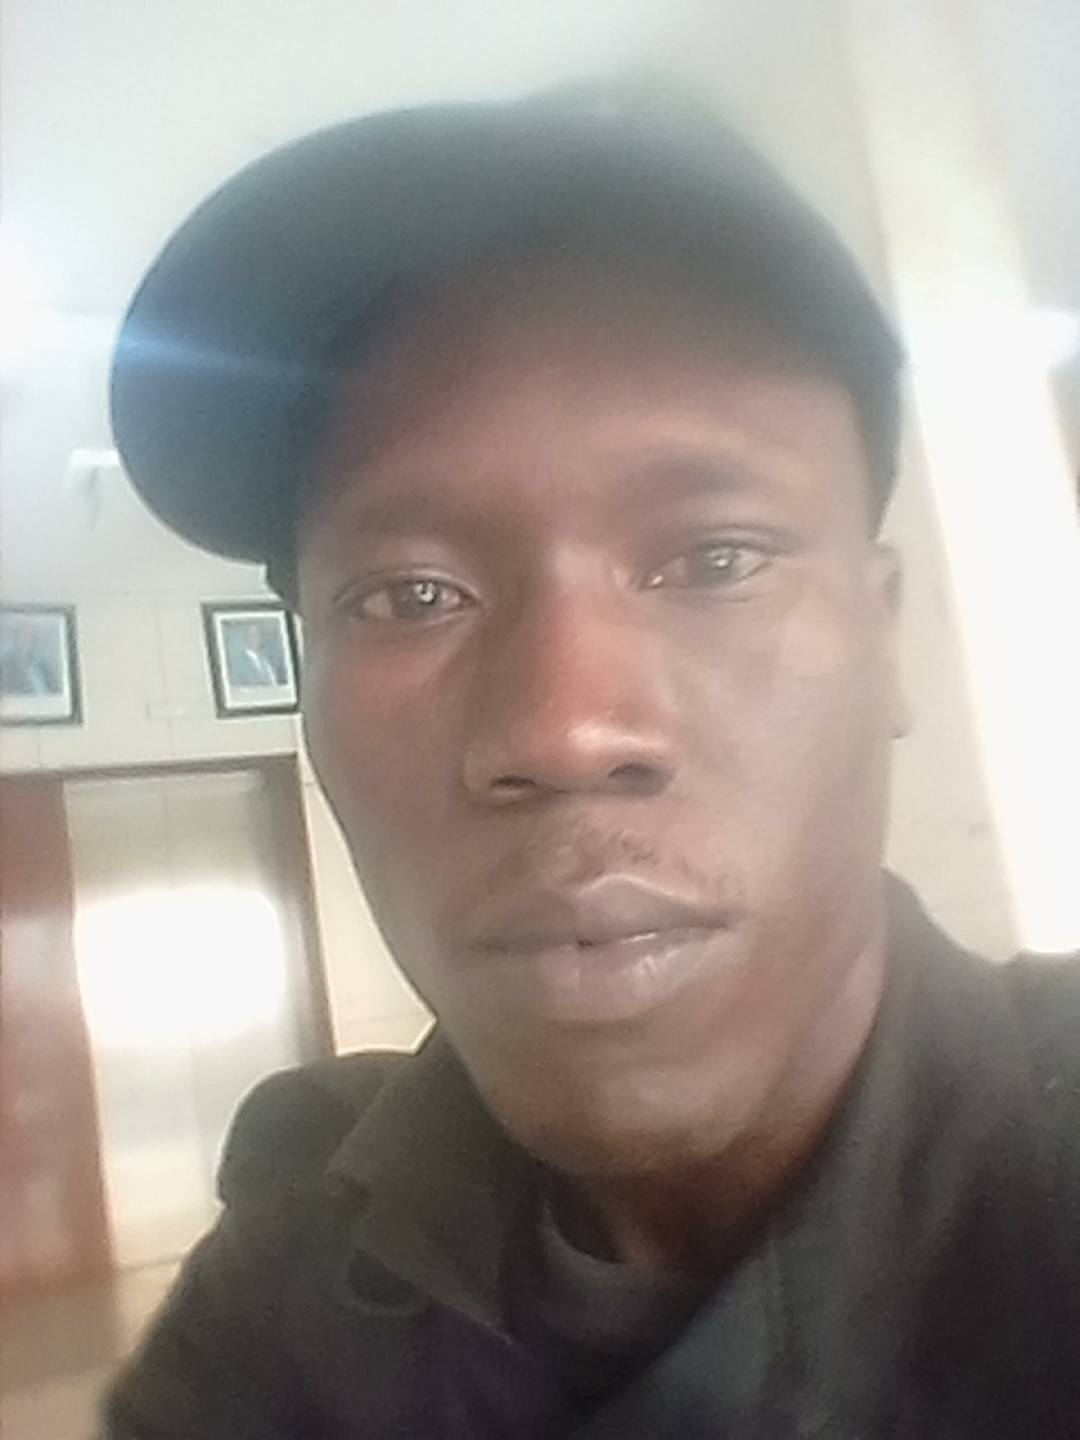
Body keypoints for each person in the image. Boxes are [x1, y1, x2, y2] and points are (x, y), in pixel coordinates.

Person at [105, 82, 1080, 1437]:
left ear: (887, 636)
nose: (564, 733)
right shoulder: (274, 1292)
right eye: (409, 595)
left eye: (717, 560)